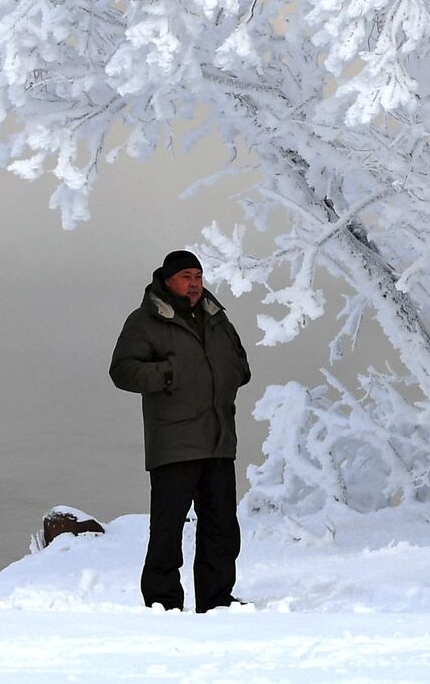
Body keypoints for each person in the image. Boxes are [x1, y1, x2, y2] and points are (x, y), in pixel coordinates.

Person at [108, 249, 252, 612]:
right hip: (174, 443)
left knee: (221, 529)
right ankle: (162, 602)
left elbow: (241, 363)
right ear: (168, 279)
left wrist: (232, 375)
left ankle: (217, 601)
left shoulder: (217, 318)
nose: (194, 284)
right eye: (187, 276)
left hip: (218, 440)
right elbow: (122, 371)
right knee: (167, 530)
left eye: (199, 277)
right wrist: (168, 374)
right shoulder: (145, 321)